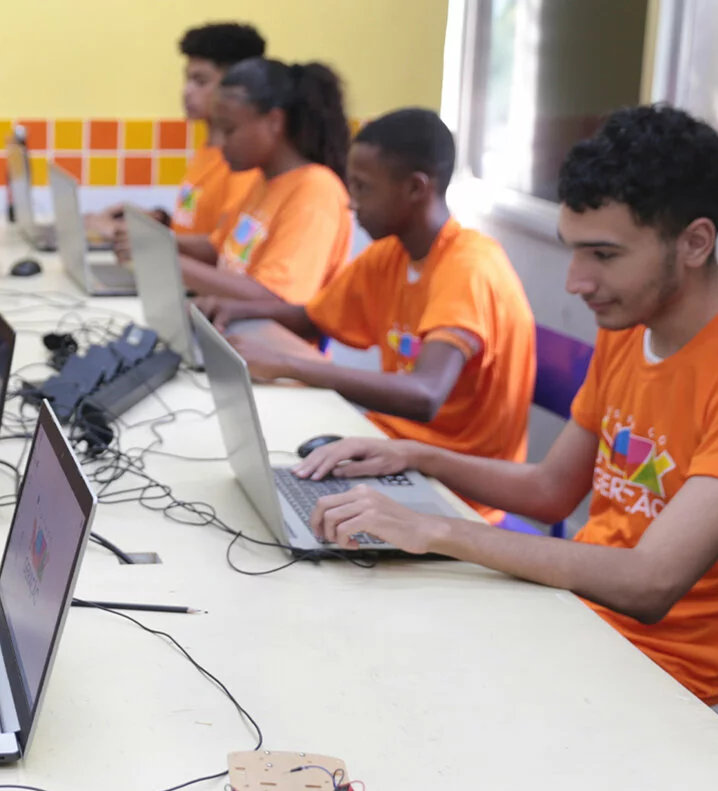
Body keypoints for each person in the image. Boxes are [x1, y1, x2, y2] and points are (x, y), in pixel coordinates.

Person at [297, 105, 718, 707]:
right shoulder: (630, 327)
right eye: (574, 250)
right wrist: (413, 455)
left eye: (604, 255)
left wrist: (437, 530)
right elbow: (550, 490)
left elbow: (652, 582)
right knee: (344, 636)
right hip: (577, 622)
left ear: (695, 242)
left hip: (672, 685)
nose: (575, 281)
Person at [197, 108, 536, 521]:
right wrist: (235, 309)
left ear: (415, 189)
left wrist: (289, 364)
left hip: (457, 491)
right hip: (390, 450)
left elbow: (425, 395)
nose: (352, 204)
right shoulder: (391, 255)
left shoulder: (468, 267)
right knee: (243, 486)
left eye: (363, 188)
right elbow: (314, 318)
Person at [175, 58, 353, 305]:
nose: (221, 144)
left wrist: (169, 263)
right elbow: (221, 249)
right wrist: (159, 243)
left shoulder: (315, 190)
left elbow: (273, 297)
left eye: (229, 130)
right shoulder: (262, 180)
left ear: (274, 122)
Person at [92, 22, 264, 239]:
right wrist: (159, 220)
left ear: (238, 88)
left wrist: (121, 233)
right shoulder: (207, 150)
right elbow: (198, 227)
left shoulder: (244, 168)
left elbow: (224, 251)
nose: (186, 91)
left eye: (201, 81)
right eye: (187, 79)